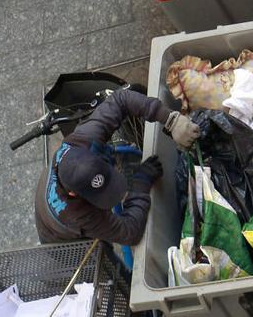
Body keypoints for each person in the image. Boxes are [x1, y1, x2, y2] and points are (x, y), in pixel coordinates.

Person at [35, 89, 200, 246]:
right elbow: (130, 233)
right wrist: (141, 183)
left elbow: (121, 99)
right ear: (74, 193)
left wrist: (171, 120)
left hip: (60, 188)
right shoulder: (77, 215)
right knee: (104, 254)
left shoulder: (82, 139)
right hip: (61, 238)